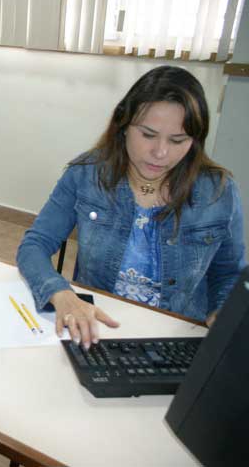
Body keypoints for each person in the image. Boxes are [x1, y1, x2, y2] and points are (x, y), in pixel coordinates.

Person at [17, 65, 246, 349]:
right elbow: (34, 245)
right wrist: (60, 293)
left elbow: (229, 273)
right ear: (123, 125)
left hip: (178, 335)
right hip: (99, 328)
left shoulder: (219, 191)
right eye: (148, 135)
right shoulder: (85, 174)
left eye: (178, 140)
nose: (160, 152)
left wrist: (221, 314)